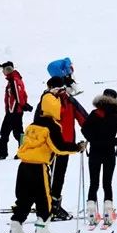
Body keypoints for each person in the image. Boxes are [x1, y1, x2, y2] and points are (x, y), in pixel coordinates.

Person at [4, 89, 85, 233]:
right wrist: (76, 147)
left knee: (24, 199)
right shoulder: (52, 126)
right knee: (44, 200)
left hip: (24, 166)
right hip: (39, 168)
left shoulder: (32, 125)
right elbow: (59, 147)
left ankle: (16, 228)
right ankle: (42, 231)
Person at [35, 76, 87, 220]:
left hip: (58, 143)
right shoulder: (62, 99)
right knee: (52, 174)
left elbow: (84, 118)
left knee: (53, 174)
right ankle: (50, 204)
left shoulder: (59, 100)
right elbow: (84, 118)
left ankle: (50, 203)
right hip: (58, 143)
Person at [81, 89, 117, 225]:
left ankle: (91, 212)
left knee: (93, 182)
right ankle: (108, 212)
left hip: (95, 151)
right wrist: (113, 142)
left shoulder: (95, 114)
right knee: (107, 183)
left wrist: (93, 139)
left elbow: (84, 129)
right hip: (109, 152)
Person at [0, 62, 30, 160]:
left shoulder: (14, 80)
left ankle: (2, 152)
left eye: (4, 70)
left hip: (13, 111)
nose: (3, 72)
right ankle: (23, 151)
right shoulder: (16, 79)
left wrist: (22, 105)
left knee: (5, 132)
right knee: (18, 132)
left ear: (8, 70)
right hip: (15, 110)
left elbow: (17, 95)